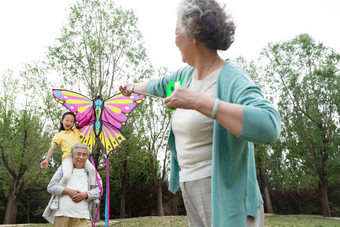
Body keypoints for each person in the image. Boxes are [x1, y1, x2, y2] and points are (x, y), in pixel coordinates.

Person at [119, 0, 281, 226]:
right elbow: (159, 85)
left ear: (192, 35)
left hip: (226, 191)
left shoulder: (232, 78)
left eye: (176, 33)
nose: (174, 40)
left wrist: (199, 102)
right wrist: (132, 87)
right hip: (190, 186)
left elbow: (270, 126)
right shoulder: (186, 76)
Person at [41, 112, 97, 210]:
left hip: (80, 157)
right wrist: (46, 160)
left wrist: (94, 112)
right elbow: (52, 148)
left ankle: (93, 194)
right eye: (67, 120)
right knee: (66, 176)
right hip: (68, 158)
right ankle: (56, 199)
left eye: (71, 121)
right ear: (62, 121)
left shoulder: (76, 131)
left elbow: (85, 121)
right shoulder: (59, 135)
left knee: (92, 170)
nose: (69, 123)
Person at [43, 143, 102, 226]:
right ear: (73, 155)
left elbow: (99, 190)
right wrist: (67, 191)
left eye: (84, 155)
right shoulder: (63, 169)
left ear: (87, 157)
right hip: (62, 216)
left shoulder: (92, 173)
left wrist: (86, 194)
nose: (81, 157)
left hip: (83, 218)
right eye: (78, 154)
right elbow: (51, 187)